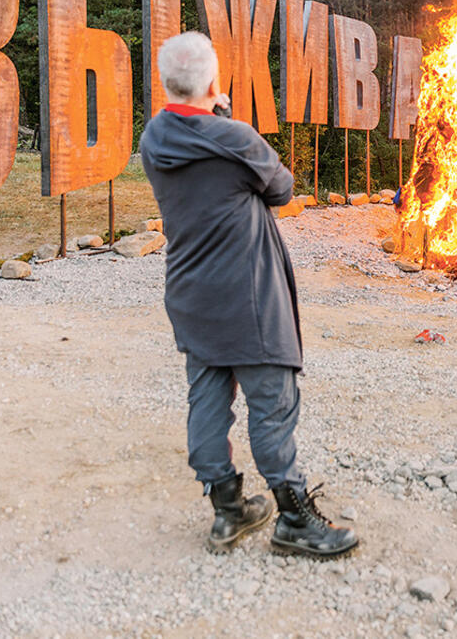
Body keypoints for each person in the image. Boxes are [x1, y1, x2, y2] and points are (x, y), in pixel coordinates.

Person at [139, 31, 358, 558]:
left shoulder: (153, 140)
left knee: (208, 400)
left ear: (166, 83)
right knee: (271, 405)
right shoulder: (236, 138)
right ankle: (293, 519)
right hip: (249, 296)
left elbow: (204, 158)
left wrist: (215, 118)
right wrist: (229, 121)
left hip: (191, 293)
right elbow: (280, 189)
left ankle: (227, 510)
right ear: (213, 82)